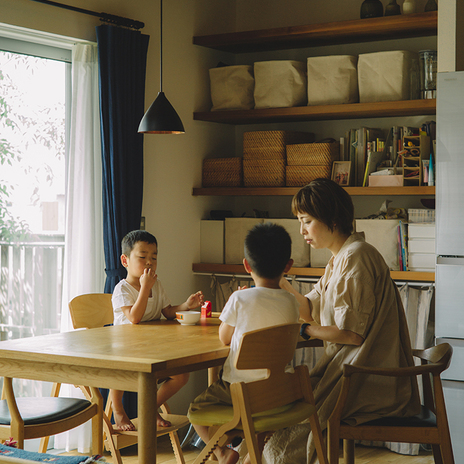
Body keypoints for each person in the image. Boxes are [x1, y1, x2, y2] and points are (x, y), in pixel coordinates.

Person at [262, 178, 420, 464]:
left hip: (368, 379)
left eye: (307, 221)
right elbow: (308, 306)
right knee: (279, 406)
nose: (302, 231)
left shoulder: (356, 258)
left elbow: (351, 335)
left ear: (331, 219)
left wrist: (305, 330)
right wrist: (274, 280)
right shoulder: (340, 258)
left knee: (287, 417)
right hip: (350, 371)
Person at [188, 222, 300, 464]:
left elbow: (224, 337)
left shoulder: (239, 298)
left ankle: (222, 452)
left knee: (195, 412)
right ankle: (250, 454)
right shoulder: (292, 301)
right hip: (281, 393)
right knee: (255, 416)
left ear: (246, 265)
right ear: (288, 265)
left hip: (241, 394)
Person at [111, 229, 204, 431]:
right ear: (125, 261)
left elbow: (169, 312)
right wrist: (145, 288)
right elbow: (134, 318)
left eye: (154, 257)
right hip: (125, 350)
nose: (149, 262)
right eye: (142, 257)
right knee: (117, 373)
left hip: (152, 349)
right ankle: (118, 411)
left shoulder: (157, 285)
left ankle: (150, 407)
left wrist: (186, 305)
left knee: (182, 375)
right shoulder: (122, 289)